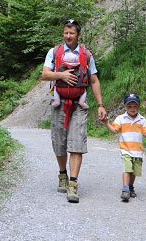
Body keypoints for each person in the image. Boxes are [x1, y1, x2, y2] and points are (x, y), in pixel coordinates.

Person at [42, 19, 107, 203]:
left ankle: (73, 183)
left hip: (79, 105)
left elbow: (94, 80)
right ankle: (62, 173)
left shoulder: (86, 54)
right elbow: (45, 74)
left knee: (77, 143)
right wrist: (61, 75)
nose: (68, 36)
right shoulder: (54, 52)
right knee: (59, 142)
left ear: (78, 35)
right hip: (59, 103)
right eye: (65, 33)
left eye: (71, 33)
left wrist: (101, 104)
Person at [100, 92, 146, 202]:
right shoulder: (121, 118)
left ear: (139, 106)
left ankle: (130, 187)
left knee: (134, 172)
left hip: (138, 151)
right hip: (125, 150)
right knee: (127, 169)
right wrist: (106, 123)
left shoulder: (142, 120)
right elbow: (114, 131)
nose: (132, 109)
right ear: (125, 106)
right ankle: (125, 190)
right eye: (129, 106)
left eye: (135, 106)